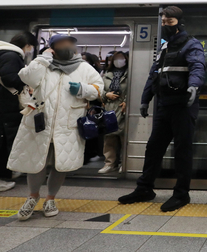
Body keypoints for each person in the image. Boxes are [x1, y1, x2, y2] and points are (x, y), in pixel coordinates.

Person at [118, 6, 205, 212]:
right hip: (164, 106)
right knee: (154, 148)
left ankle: (181, 194)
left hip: (184, 106)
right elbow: (153, 75)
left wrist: (194, 85)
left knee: (182, 150)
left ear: (180, 23)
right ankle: (145, 188)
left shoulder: (192, 45)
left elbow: (197, 67)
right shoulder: (164, 48)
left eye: (170, 22)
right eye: (163, 22)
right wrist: (145, 99)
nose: (165, 26)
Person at [8, 34, 103, 220]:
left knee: (61, 165)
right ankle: (32, 197)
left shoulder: (84, 67)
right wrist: (43, 58)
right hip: (39, 123)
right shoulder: (42, 64)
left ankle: (51, 199)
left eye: (70, 42)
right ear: (52, 47)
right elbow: (26, 77)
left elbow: (99, 89)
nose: (67, 45)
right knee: (36, 162)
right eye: (62, 43)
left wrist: (83, 89)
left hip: (68, 124)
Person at [0, 32, 37, 191]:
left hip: (3, 106)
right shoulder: (12, 56)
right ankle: (2, 178)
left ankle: (7, 173)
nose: (30, 50)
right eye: (31, 47)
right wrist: (26, 79)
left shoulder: (4, 53)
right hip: (5, 106)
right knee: (4, 142)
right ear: (27, 45)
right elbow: (9, 78)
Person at [98, 51, 128, 174]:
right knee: (109, 138)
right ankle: (110, 163)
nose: (119, 61)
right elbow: (99, 90)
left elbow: (134, 88)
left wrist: (127, 101)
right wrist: (106, 95)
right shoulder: (106, 75)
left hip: (123, 108)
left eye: (121, 58)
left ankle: (123, 163)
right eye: (116, 58)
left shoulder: (130, 74)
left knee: (123, 137)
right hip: (109, 108)